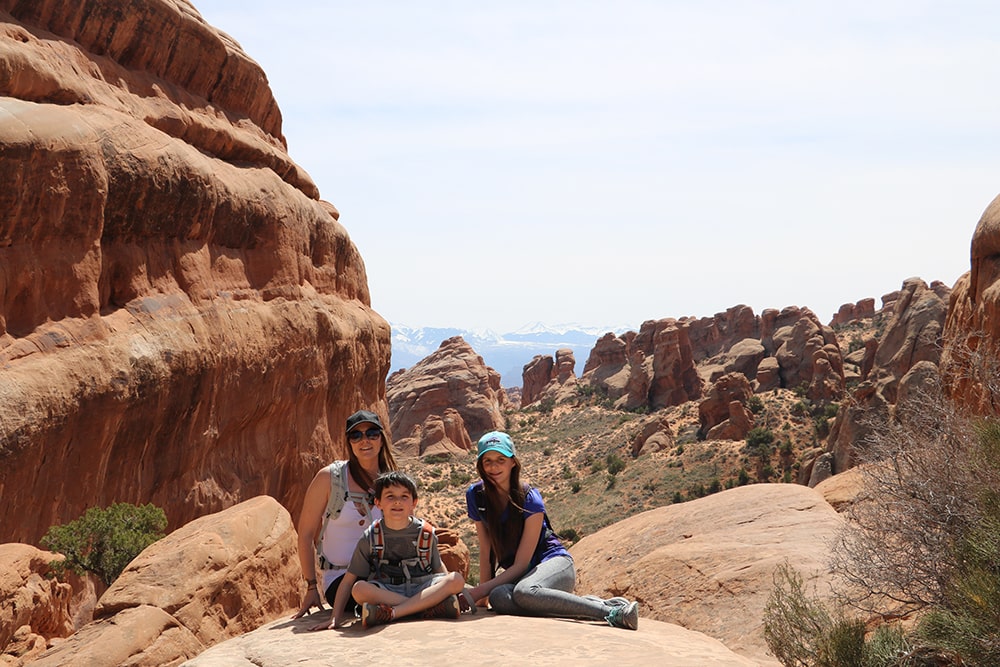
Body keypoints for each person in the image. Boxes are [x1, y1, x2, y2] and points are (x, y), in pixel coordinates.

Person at [462, 431, 640, 630]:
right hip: (523, 578)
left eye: (500, 459)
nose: (493, 467)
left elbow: (521, 564)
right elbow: (486, 551)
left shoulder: (529, 498)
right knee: (499, 597)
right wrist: (482, 598)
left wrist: (478, 590)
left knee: (524, 592)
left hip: (554, 565)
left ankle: (612, 612)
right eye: (487, 461)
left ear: (513, 462)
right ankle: (587, 604)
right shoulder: (476, 496)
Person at [321, 470, 466, 629]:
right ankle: (424, 608)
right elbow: (348, 581)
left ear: (414, 502)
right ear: (378, 503)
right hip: (388, 590)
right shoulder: (371, 537)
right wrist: (335, 617)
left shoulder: (425, 533)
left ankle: (393, 613)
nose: (397, 502)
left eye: (404, 497)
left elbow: (439, 570)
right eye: (390, 496)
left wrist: (451, 591)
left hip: (422, 586)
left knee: (455, 579)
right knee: (359, 589)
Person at [294, 410, 398, 619]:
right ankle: (417, 604)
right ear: (349, 442)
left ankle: (401, 605)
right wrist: (312, 587)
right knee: (364, 591)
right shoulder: (330, 478)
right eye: (356, 435)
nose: (364, 440)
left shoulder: (393, 481)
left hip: (386, 574)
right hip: (341, 580)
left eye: (371, 433)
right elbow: (305, 535)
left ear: (381, 438)